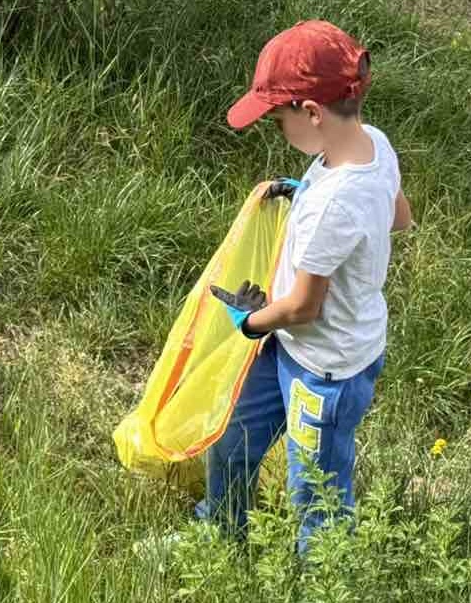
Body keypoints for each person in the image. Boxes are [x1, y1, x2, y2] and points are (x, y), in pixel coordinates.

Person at [200, 20, 413, 553]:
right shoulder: (375, 145)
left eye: (279, 119)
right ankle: (219, 532)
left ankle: (324, 575)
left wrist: (249, 321)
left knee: (316, 494)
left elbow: (303, 307)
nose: (279, 129)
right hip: (294, 347)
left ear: (313, 113)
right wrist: (310, 196)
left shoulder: (332, 206)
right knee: (233, 441)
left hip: (324, 372)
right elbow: (399, 217)